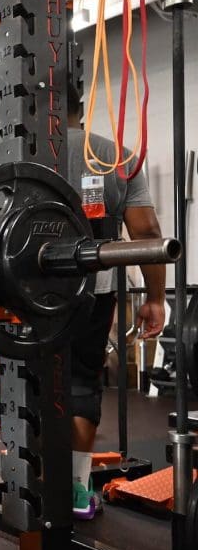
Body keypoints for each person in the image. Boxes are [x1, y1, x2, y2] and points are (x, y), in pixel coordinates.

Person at [66, 84, 166, 519]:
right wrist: (156, 299)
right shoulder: (117, 157)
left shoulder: (14, 153)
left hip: (29, 300)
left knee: (29, 386)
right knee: (82, 386)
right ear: (80, 108)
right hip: (93, 293)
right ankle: (73, 488)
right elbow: (146, 235)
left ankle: (35, 482)